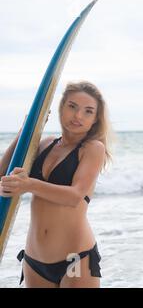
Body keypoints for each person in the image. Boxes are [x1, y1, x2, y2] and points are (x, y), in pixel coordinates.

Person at [0, 81, 112, 288]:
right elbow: (3, 173)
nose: (78, 116)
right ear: (61, 108)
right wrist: (25, 131)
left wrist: (29, 184)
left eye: (88, 112)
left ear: (95, 119)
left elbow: (74, 196)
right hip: (34, 261)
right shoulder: (44, 144)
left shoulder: (92, 149)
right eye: (72, 106)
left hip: (76, 259)